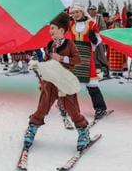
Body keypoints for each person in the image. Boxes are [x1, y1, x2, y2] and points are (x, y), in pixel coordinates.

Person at [22, 12, 90, 151]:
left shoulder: (69, 44)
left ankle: (83, 132)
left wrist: (62, 59)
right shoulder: (49, 45)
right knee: (43, 107)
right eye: (49, 28)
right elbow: (47, 63)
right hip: (51, 82)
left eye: (52, 28)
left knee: (72, 110)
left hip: (65, 81)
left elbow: (77, 60)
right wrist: (38, 67)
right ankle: (32, 129)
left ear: (61, 30)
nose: (50, 31)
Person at [68, 3, 108, 119]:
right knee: (71, 84)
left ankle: (100, 108)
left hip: (86, 55)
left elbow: (98, 40)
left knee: (91, 84)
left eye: (77, 12)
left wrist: (94, 39)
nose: (75, 14)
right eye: (73, 13)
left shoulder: (91, 24)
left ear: (82, 12)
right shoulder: (71, 24)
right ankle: (69, 107)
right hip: (74, 55)